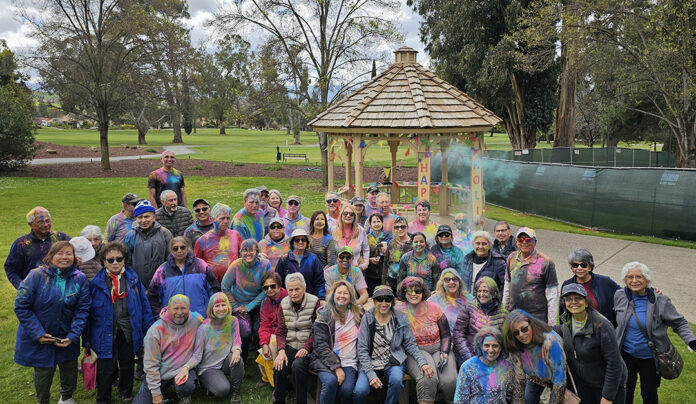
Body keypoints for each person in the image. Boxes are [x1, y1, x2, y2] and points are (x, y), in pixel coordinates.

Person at [14, 241, 91, 404]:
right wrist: (38, 333)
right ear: (51, 256)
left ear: (74, 257)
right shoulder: (35, 276)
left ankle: (67, 397)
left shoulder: (80, 279)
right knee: (43, 372)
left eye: (69, 253)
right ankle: (42, 400)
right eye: (60, 253)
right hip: (42, 336)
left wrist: (73, 334)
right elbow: (21, 306)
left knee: (69, 369)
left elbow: (82, 310)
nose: (64, 257)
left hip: (67, 335)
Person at [614, 261, 696, 404]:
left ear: (647, 279)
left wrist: (691, 340)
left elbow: (679, 322)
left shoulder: (660, 301)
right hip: (625, 356)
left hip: (650, 358)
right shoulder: (620, 295)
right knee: (625, 391)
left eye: (639, 277)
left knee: (649, 393)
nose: (634, 281)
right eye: (629, 277)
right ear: (625, 280)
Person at [84, 242, 154, 404]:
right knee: (106, 367)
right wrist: (88, 340)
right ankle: (103, 397)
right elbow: (88, 313)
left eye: (119, 259)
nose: (115, 263)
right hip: (104, 331)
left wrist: (149, 331)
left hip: (128, 329)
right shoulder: (96, 283)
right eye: (110, 260)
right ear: (103, 261)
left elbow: (144, 306)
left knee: (127, 363)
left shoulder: (133, 279)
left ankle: (126, 391)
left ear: (124, 260)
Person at [354, 285, 432, 404]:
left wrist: (422, 362)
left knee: (396, 380)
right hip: (371, 361)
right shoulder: (367, 318)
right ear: (374, 301)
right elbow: (362, 349)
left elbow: (410, 343)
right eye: (380, 299)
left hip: (393, 360)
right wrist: (370, 374)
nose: (384, 303)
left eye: (388, 299)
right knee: (360, 390)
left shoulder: (400, 318)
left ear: (392, 301)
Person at [554, 284, 627, 404]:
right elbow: (560, 329)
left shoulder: (602, 326)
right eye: (569, 299)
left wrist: (607, 397)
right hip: (585, 384)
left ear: (587, 302)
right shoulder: (568, 320)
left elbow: (614, 364)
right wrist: (533, 326)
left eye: (578, 298)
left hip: (606, 385)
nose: (573, 302)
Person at [395, 276, 457, 404]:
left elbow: (446, 334)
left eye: (417, 291)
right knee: (428, 378)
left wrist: (444, 351)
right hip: (415, 350)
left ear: (422, 292)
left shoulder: (434, 308)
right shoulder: (399, 311)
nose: (414, 294)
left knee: (449, 381)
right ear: (404, 292)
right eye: (409, 291)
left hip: (438, 347)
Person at [133, 295, 203, 404]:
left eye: (183, 308)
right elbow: (151, 365)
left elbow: (211, 326)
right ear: (168, 308)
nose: (179, 312)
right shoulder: (155, 331)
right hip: (160, 373)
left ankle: (184, 395)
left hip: (182, 369)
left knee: (186, 387)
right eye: (175, 308)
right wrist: (156, 394)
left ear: (189, 307)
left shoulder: (196, 320)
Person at [310, 281, 363, 404]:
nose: (342, 296)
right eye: (339, 292)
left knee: (347, 391)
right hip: (325, 360)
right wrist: (337, 367)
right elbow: (320, 346)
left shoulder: (358, 314)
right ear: (333, 295)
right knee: (330, 382)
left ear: (351, 296)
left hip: (349, 361)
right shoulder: (324, 315)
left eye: (346, 293)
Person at [273, 273, 321, 404]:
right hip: (291, 344)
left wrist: (306, 348)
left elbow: (317, 331)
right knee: (280, 364)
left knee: (297, 366)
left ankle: (301, 401)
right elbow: (281, 331)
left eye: (297, 289)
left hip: (309, 346)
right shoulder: (284, 303)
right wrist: (281, 350)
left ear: (304, 288)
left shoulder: (314, 302)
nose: (294, 293)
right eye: (290, 290)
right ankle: (279, 400)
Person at [221, 239, 272, 364]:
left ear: (257, 251)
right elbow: (224, 287)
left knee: (258, 330)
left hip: (259, 303)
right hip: (239, 304)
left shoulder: (265, 265)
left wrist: (249, 306)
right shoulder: (236, 266)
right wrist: (234, 306)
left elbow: (267, 288)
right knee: (245, 332)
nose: (248, 253)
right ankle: (240, 361)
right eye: (244, 250)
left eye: (251, 250)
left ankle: (263, 363)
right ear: (240, 252)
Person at [188, 293, 245, 403]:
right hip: (208, 367)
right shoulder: (203, 328)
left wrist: (237, 351)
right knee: (223, 390)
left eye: (223, 305)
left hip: (224, 361)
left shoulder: (233, 321)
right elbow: (197, 355)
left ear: (228, 306)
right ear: (211, 309)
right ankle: (207, 383)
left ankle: (236, 392)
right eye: (217, 306)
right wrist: (186, 368)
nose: (221, 309)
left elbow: (236, 341)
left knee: (239, 361)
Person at [502, 309, 566, 404]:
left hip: (555, 379)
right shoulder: (515, 345)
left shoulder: (550, 341)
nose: (521, 335)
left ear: (531, 324)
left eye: (524, 329)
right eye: (516, 333)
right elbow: (519, 379)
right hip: (534, 379)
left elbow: (559, 380)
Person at [148, 236, 220, 317]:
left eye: (182, 248)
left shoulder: (201, 265)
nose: (179, 251)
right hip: (173, 319)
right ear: (171, 251)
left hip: (200, 317)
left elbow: (214, 289)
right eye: (175, 248)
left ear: (188, 248)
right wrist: (160, 314)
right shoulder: (162, 270)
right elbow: (153, 295)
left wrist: (211, 311)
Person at [502, 227, 559, 326]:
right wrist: (504, 313)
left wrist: (552, 325)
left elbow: (552, 295)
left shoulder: (546, 262)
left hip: (536, 319)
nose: (524, 242)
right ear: (516, 242)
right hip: (514, 317)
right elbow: (507, 286)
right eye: (520, 239)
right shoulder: (511, 258)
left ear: (535, 241)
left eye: (528, 239)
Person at [5, 206, 70, 289]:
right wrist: (21, 286)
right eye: (41, 222)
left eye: (47, 221)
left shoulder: (61, 238)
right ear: (31, 224)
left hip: (61, 290)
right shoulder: (21, 244)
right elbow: (11, 268)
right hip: (33, 292)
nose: (46, 225)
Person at [452, 277, 508, 368]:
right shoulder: (469, 307)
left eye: (485, 291)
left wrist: (497, 359)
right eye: (479, 291)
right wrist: (469, 357)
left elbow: (505, 341)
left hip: (492, 354)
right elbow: (458, 333)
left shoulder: (503, 313)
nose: (481, 294)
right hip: (469, 353)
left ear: (493, 293)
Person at [453, 326, 516, 404]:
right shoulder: (467, 367)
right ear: (480, 347)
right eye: (486, 345)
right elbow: (460, 400)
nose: (490, 350)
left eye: (495, 346)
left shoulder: (507, 367)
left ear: (500, 348)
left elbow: (510, 397)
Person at [561, 247, 621, 326]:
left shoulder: (605, 282)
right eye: (575, 265)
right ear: (572, 268)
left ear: (590, 267)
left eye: (583, 265)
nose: (579, 268)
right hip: (578, 330)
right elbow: (563, 310)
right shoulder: (567, 285)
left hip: (603, 330)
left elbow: (623, 295)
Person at [124, 200, 173, 290]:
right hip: (137, 284)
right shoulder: (130, 236)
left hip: (161, 283)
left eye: (147, 216)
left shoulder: (165, 233)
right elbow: (127, 262)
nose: (143, 220)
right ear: (136, 218)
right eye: (140, 217)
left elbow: (170, 260)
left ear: (154, 217)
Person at [194, 203, 243, 283]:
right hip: (212, 284)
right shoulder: (202, 241)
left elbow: (242, 257)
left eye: (228, 218)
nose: (226, 221)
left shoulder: (235, 235)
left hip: (234, 283)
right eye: (222, 218)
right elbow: (197, 267)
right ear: (213, 219)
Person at [257, 271, 288, 388]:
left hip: (287, 332)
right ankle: (268, 379)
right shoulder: (265, 302)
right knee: (265, 349)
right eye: (266, 287)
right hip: (273, 333)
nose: (269, 289)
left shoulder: (288, 297)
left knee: (271, 346)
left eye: (272, 286)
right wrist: (264, 343)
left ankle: (275, 385)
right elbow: (265, 325)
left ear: (279, 286)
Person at [275, 229, 326, 301]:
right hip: (289, 299)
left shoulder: (313, 258)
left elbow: (319, 281)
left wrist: (321, 298)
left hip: (310, 299)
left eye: (303, 240)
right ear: (292, 242)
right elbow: (278, 281)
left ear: (307, 242)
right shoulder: (285, 259)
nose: (300, 242)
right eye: (297, 240)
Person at [332, 204, 369, 270]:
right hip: (338, 271)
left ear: (354, 216)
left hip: (356, 270)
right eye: (345, 213)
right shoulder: (333, 231)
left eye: (351, 214)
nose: (348, 216)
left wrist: (364, 265)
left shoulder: (361, 231)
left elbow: (366, 249)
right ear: (341, 215)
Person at [382, 216, 412, 292]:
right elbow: (386, 262)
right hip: (391, 278)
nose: (400, 229)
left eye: (403, 227)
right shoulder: (392, 242)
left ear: (407, 227)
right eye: (397, 227)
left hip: (406, 279)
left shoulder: (412, 243)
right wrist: (384, 281)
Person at [365, 213, 390, 295]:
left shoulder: (388, 237)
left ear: (382, 223)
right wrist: (369, 259)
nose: (376, 224)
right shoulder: (366, 238)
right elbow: (362, 254)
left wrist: (386, 251)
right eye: (374, 222)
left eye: (378, 221)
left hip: (383, 272)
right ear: (370, 224)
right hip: (369, 273)